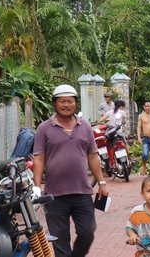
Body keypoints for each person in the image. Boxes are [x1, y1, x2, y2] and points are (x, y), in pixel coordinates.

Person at [33, 84, 109, 257]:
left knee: (88, 232)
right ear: (54, 103)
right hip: (55, 195)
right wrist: (37, 187)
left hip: (82, 192)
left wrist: (102, 182)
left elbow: (93, 156)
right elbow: (39, 158)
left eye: (70, 101)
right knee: (60, 240)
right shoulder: (44, 128)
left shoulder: (85, 126)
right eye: (62, 101)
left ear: (76, 103)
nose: (66, 105)